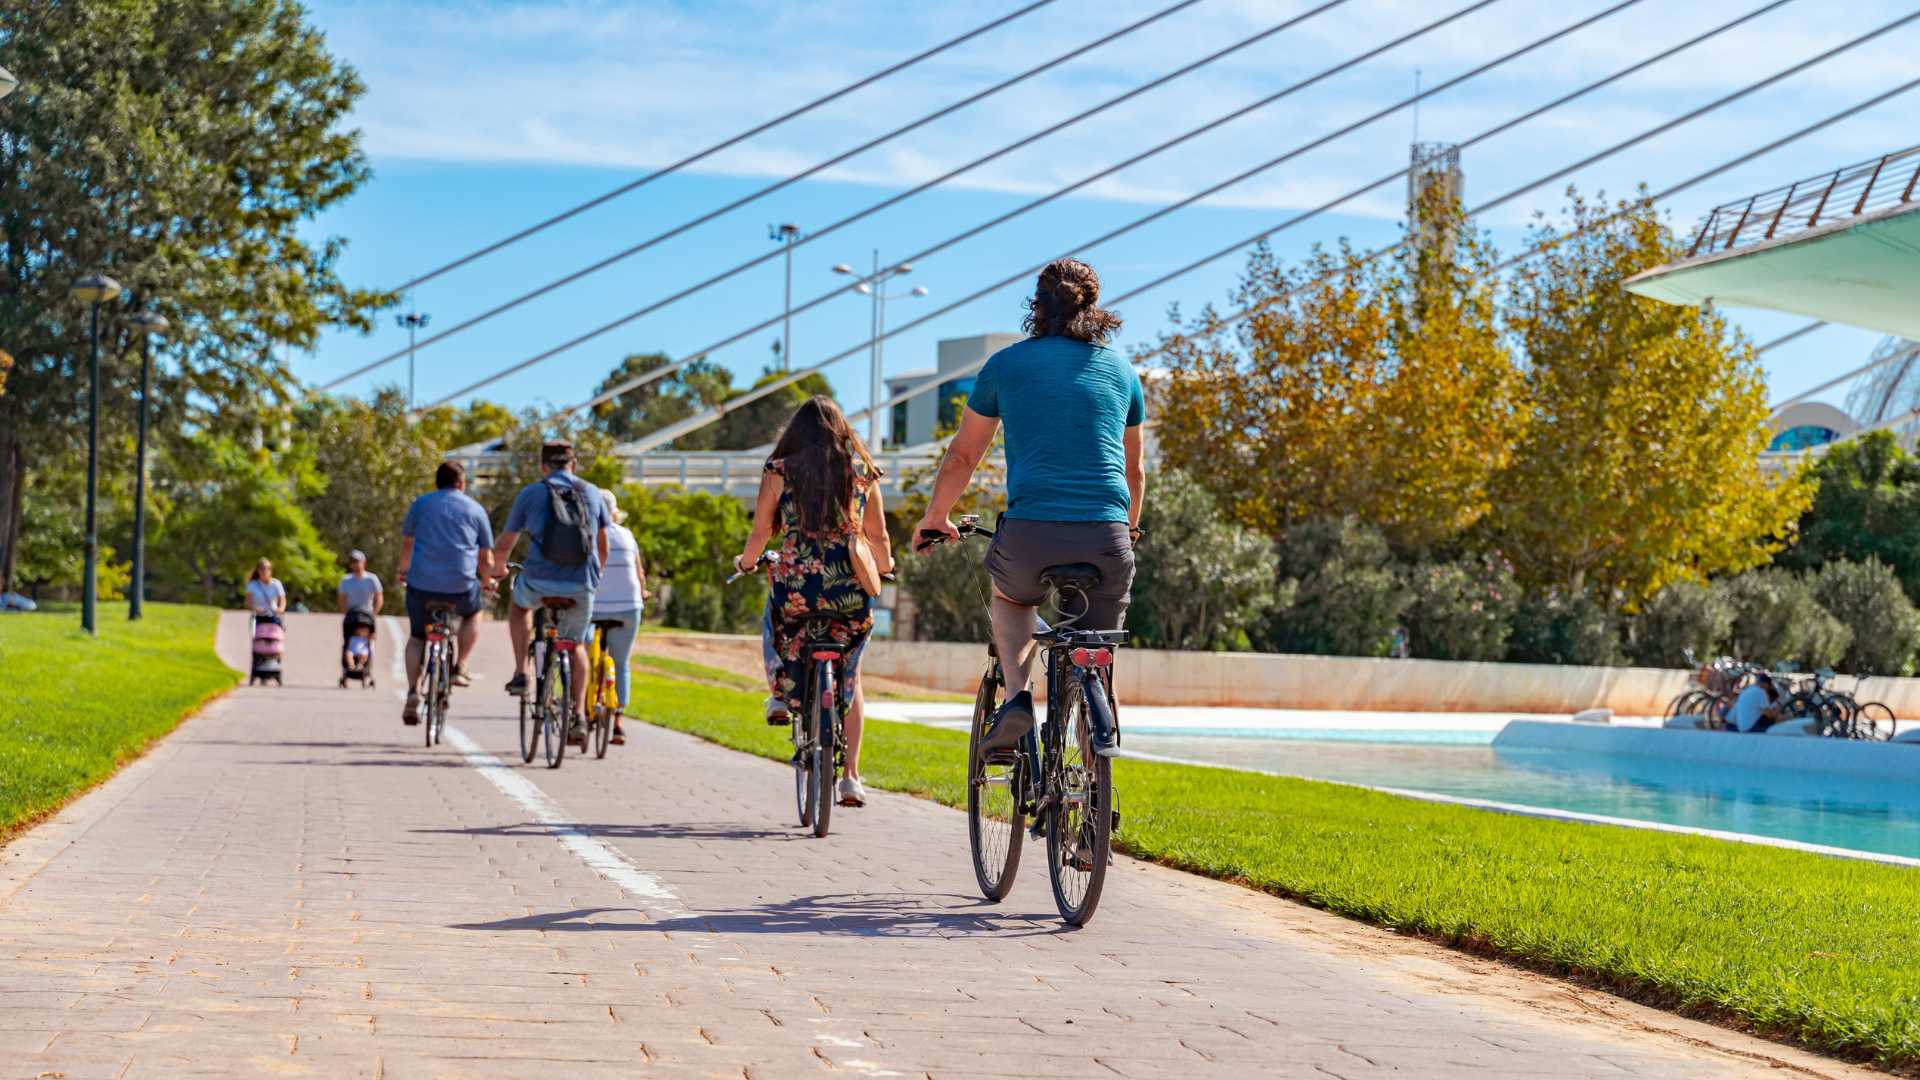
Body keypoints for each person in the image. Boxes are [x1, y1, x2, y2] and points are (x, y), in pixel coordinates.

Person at [914, 257, 1145, 760]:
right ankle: (1092, 802)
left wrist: (936, 518)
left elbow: (962, 455)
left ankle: (1017, 698)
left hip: (1030, 533)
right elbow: (1134, 473)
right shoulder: (1123, 372)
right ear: (1092, 306)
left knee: (1013, 600)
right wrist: (1129, 530)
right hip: (1107, 534)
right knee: (1097, 655)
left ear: (1037, 306)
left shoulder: (1005, 366)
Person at [735, 396, 893, 808]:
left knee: (778, 625)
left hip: (796, 582)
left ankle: (783, 694)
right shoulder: (862, 472)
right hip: (848, 588)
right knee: (851, 674)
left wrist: (747, 562)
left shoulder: (779, 470)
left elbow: (761, 531)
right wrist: (886, 565)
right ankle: (851, 778)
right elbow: (878, 536)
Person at [490, 440, 610, 733]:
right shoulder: (592, 492)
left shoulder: (531, 493)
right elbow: (604, 546)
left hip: (539, 581)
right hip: (582, 584)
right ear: (574, 465)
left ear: (543, 467)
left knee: (519, 608)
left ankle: (521, 673)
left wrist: (497, 571)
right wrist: (595, 576)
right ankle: (579, 716)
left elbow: (506, 543)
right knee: (577, 644)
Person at [396, 461, 496, 725]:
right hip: (460, 586)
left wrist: (402, 572)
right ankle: (460, 665)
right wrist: (487, 581)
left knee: (418, 636)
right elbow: (486, 558)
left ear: (437, 482)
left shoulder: (420, 504)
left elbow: (408, 545)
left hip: (421, 585)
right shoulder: (475, 509)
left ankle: (413, 691)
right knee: (474, 612)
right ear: (461, 484)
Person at [591, 487, 647, 746]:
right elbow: (639, 575)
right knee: (621, 663)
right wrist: (643, 592)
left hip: (594, 608)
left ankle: (581, 711)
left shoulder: (590, 535)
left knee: (584, 656)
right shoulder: (628, 535)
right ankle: (619, 724)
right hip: (629, 607)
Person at [337, 549, 384, 663]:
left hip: (367, 615)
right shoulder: (346, 580)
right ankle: (349, 665)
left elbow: (379, 598)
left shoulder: (372, 579)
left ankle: (365, 664)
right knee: (349, 640)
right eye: (353, 562)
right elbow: (342, 599)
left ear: (364, 562)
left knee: (369, 641)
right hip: (352, 615)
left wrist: (374, 613)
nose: (356, 564)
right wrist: (346, 613)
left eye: (358, 561)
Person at [246, 558, 287, 624]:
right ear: (258, 570)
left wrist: (281, 608)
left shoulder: (276, 583)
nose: (265, 570)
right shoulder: (253, 584)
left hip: (273, 615)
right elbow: (249, 602)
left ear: (270, 570)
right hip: (258, 616)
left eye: (267, 568)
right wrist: (255, 608)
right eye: (262, 568)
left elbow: (283, 599)